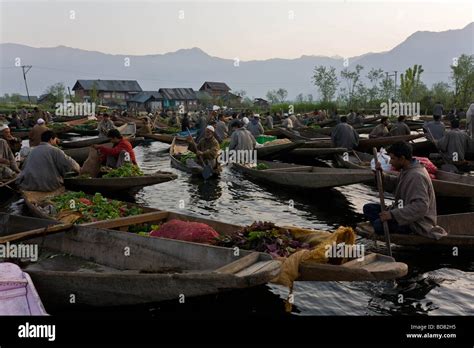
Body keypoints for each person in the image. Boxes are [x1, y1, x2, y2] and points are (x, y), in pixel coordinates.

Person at [363, 142, 446, 239]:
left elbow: (421, 206)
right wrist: (381, 175)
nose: (390, 162)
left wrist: (392, 215)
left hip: (415, 223)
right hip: (402, 212)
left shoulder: (416, 176)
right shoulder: (407, 170)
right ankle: (385, 225)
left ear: (402, 158)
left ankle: (388, 228)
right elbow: (396, 184)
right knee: (369, 208)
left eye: (393, 159)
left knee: (378, 225)